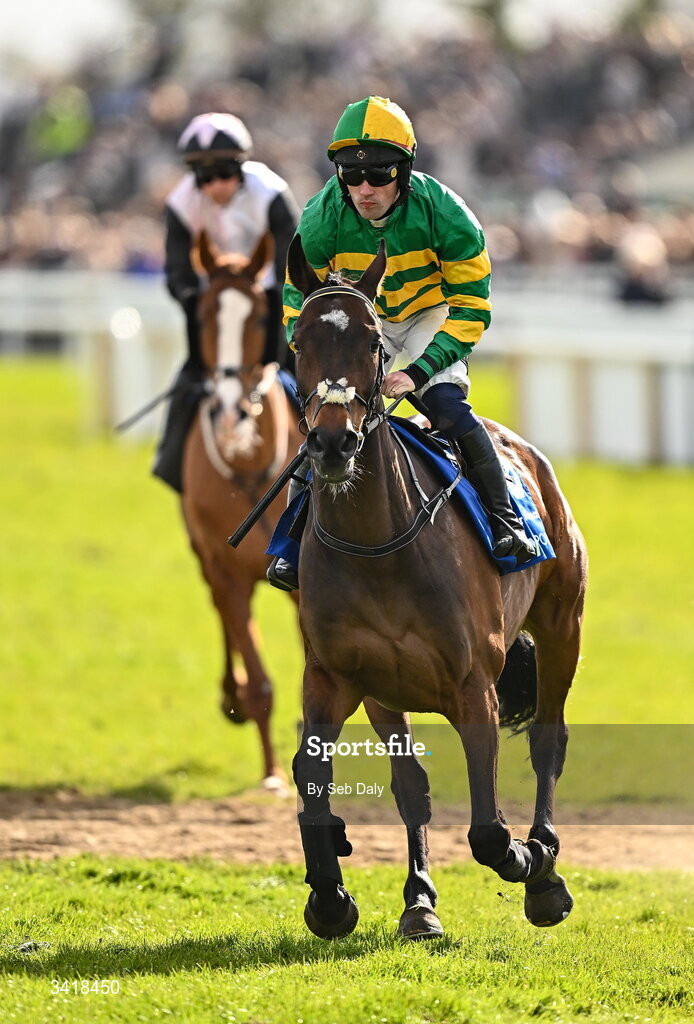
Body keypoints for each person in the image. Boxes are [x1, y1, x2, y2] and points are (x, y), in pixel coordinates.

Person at [268, 96, 535, 590]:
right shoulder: (322, 215)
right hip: (361, 317)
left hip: (429, 315)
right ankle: (290, 545)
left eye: (380, 175)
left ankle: (507, 523)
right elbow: (294, 293)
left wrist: (417, 371)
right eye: (351, 175)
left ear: (406, 170)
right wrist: (305, 343)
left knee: (445, 407)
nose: (364, 189)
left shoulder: (448, 215)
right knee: (325, 414)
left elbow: (473, 305)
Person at [153, 112, 299, 493]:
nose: (215, 185)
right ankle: (172, 461)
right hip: (212, 302)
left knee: (301, 365)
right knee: (193, 372)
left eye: (224, 174)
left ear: (241, 166)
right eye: (205, 177)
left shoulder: (270, 193)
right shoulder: (181, 203)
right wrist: (194, 299)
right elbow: (177, 270)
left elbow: (293, 260)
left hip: (268, 296)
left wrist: (270, 300)